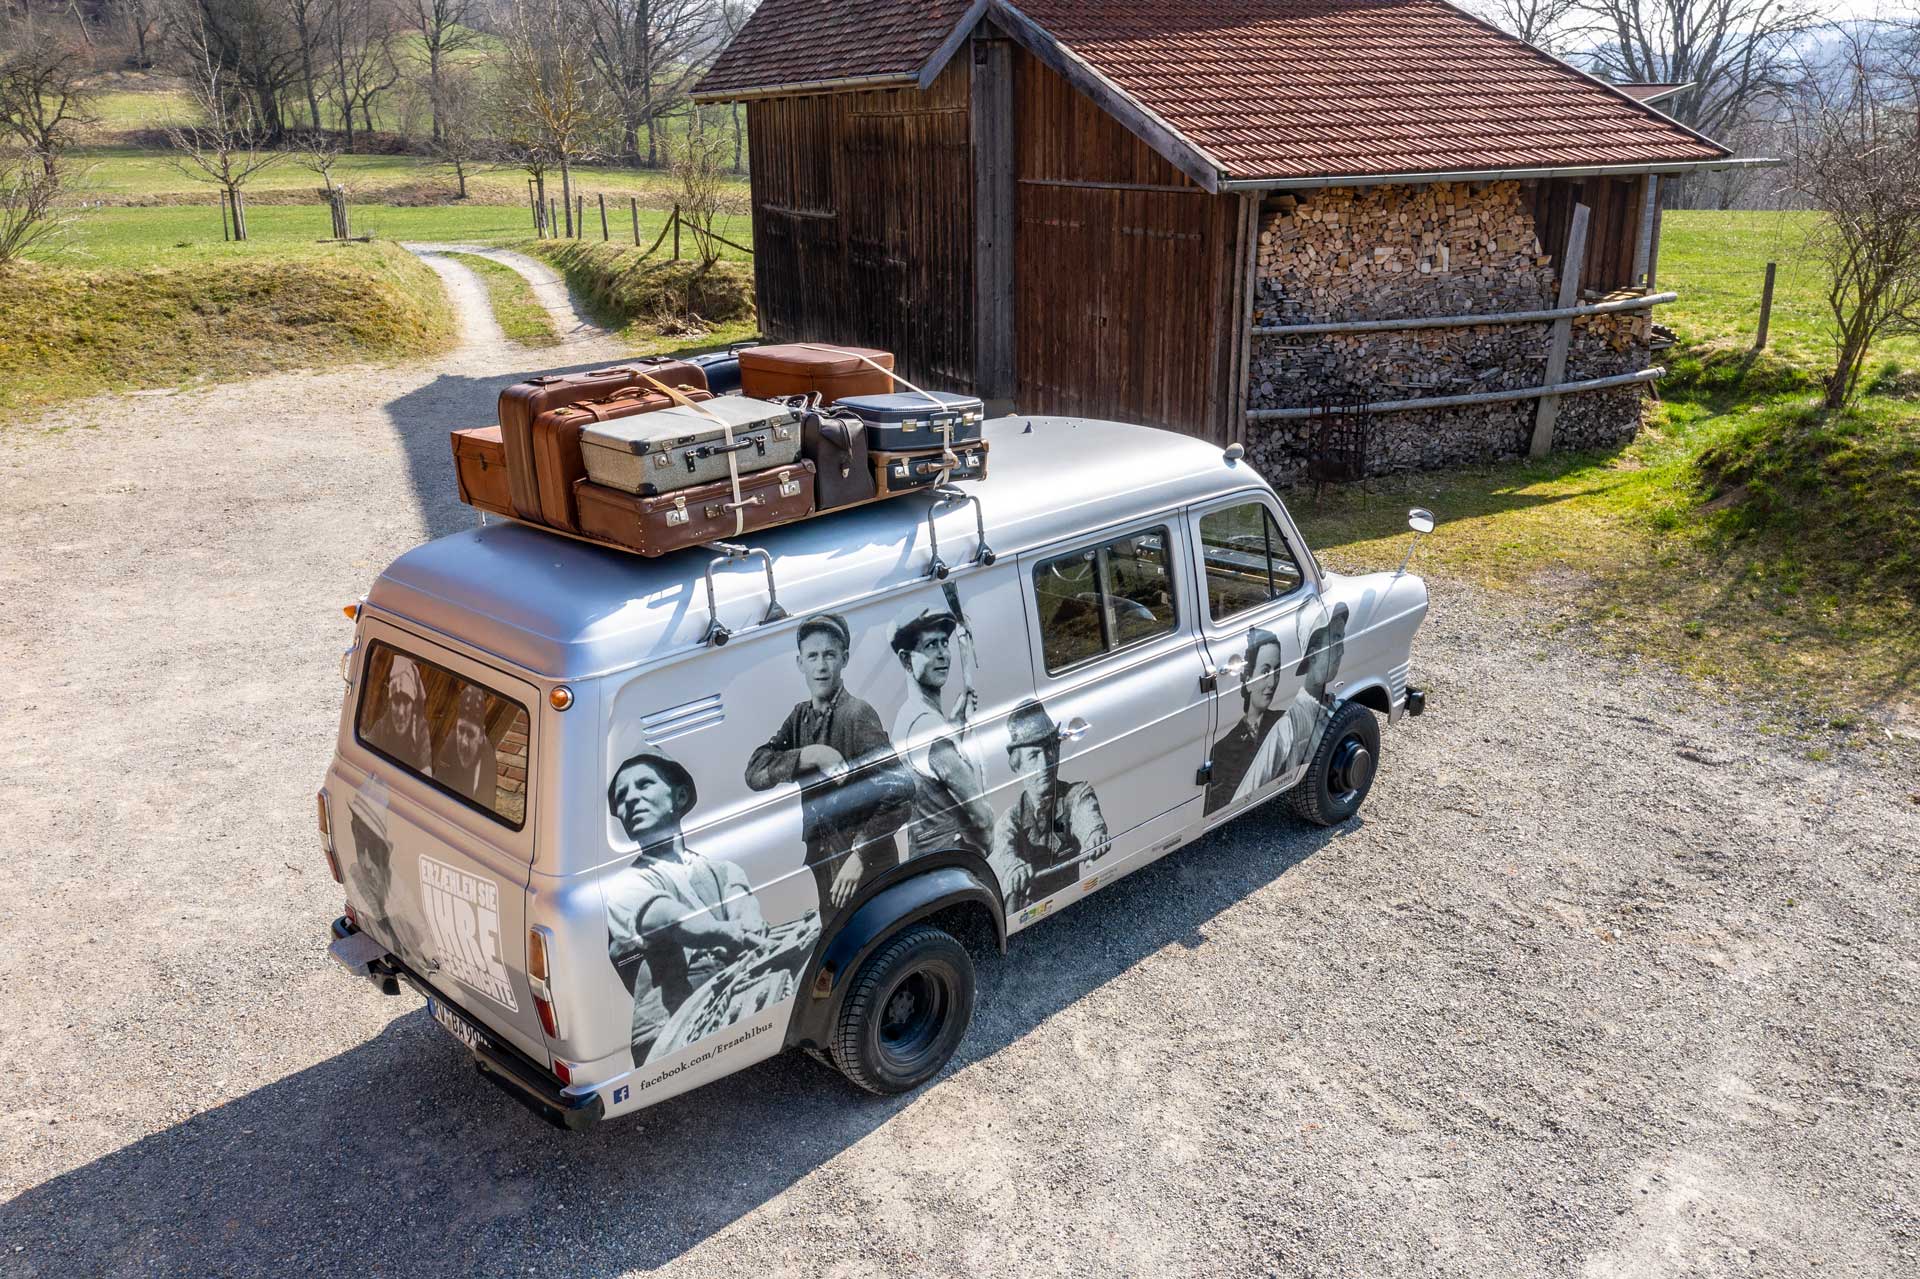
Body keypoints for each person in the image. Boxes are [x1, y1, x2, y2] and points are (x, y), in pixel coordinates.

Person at [603, 750, 771, 1068]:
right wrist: (730, 932)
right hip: (666, 1032)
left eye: (644, 784)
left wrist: (748, 923)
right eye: (621, 797)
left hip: (729, 1008)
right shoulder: (626, 885)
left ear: (679, 796)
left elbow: (744, 908)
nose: (631, 799)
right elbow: (674, 921)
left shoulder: (724, 869)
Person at [744, 614, 913, 925]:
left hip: (867, 866)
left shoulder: (856, 715)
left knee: (876, 935)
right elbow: (755, 772)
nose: (821, 666)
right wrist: (809, 755)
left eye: (829, 655)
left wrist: (860, 855)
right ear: (800, 663)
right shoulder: (800, 718)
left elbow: (901, 791)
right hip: (826, 862)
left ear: (844, 659)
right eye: (812, 656)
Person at [889, 604, 992, 858]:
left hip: (927, 858)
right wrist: (987, 844)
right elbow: (981, 817)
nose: (943, 654)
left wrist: (955, 723)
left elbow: (932, 776)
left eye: (944, 643)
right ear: (906, 660)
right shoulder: (929, 729)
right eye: (930, 645)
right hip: (949, 859)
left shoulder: (908, 715)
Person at [989, 700, 1110, 912]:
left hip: (1071, 904)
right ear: (1017, 766)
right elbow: (1003, 849)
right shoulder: (1010, 820)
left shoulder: (1076, 795)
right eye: (1033, 756)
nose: (1045, 764)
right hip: (1025, 914)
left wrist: (1094, 836)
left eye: (1050, 750)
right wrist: (1013, 868)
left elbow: (1086, 814)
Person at [1243, 602, 1351, 794]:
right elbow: (1247, 791)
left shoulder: (1332, 705)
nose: (1341, 650)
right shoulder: (1288, 725)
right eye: (1335, 639)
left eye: (1341, 639)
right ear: (1313, 653)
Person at [1203, 627, 1285, 815]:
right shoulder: (1222, 748)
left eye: (1277, 671)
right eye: (1265, 672)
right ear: (1248, 680)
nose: (1272, 682)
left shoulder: (1284, 721)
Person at [363, 654, 433, 776]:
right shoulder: (382, 726)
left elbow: (426, 772)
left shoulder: (420, 729)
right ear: (390, 704)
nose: (401, 712)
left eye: (406, 702)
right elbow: (364, 752)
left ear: (413, 705)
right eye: (396, 701)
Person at [432, 684, 498, 808]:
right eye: (461, 731)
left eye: (470, 734)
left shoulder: (488, 761)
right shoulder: (447, 748)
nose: (463, 741)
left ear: (481, 736)